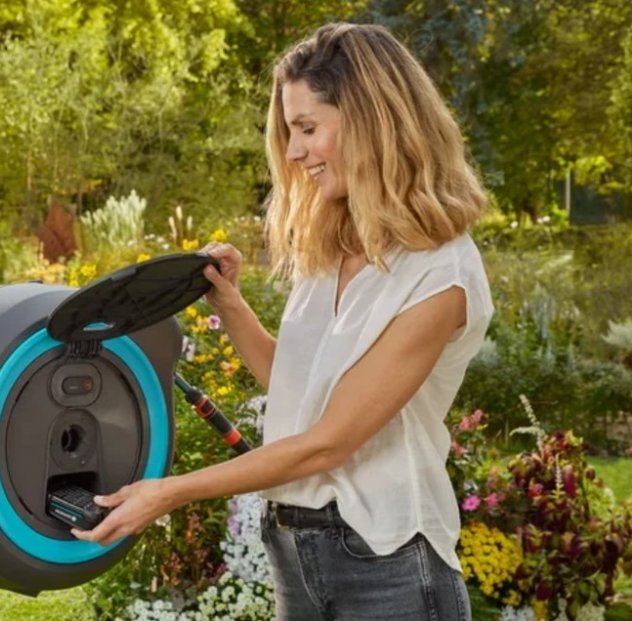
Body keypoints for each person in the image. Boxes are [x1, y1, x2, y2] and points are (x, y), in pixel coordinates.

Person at [72, 22, 493, 621]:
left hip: (388, 565)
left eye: (307, 128)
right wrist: (230, 305)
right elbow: (299, 389)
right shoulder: (333, 248)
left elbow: (329, 441)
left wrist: (168, 493)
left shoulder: (440, 274)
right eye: (290, 132)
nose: (294, 152)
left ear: (372, 122)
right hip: (294, 548)